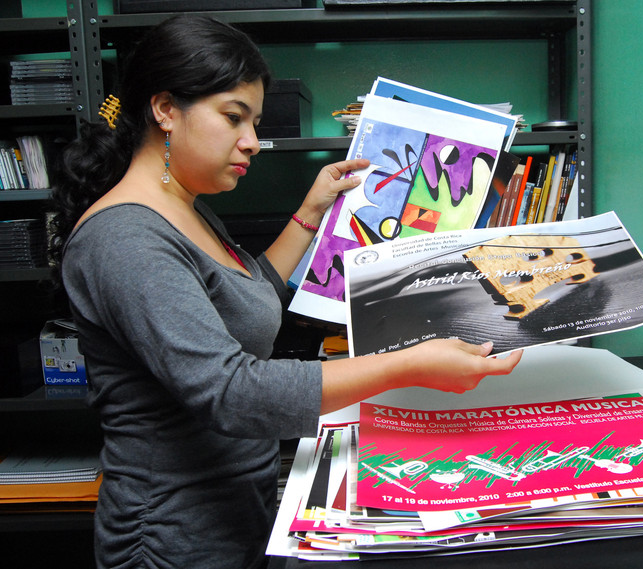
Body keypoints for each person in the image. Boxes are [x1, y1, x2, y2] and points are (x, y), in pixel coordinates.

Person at [48, 13, 521, 569]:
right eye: (233, 118)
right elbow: (229, 390)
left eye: (254, 121)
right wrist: (409, 365)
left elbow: (248, 298)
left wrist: (312, 211)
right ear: (166, 109)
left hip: (231, 515)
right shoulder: (124, 239)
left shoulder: (184, 210)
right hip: (170, 538)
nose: (253, 142)